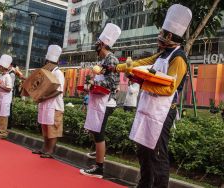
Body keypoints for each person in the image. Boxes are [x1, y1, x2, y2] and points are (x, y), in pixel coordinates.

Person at [110, 4, 192, 187]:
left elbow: (169, 89)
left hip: (163, 113)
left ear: (170, 36)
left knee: (157, 154)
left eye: (163, 33)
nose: (160, 35)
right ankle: (144, 183)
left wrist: (141, 82)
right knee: (143, 150)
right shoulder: (163, 53)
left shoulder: (178, 58)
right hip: (148, 108)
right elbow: (140, 63)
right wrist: (116, 67)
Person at [79, 23, 121, 178]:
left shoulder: (112, 60)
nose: (95, 46)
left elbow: (110, 83)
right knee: (94, 129)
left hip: (107, 102)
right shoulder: (104, 60)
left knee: (98, 131)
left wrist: (93, 83)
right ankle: (99, 152)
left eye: (98, 43)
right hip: (99, 100)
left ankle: (99, 168)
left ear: (103, 44)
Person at [32, 45, 64, 159]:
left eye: (47, 61)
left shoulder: (58, 73)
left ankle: (50, 151)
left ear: (51, 62)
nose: (46, 63)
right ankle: (44, 149)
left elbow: (59, 91)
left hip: (55, 106)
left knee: (52, 129)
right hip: (45, 104)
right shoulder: (46, 72)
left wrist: (44, 97)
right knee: (45, 128)